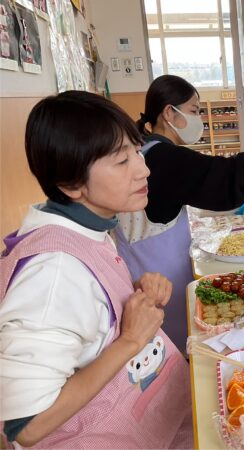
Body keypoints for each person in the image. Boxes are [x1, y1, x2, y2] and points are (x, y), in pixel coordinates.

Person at [0, 91, 192, 448]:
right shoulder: (52, 273)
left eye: (137, 152)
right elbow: (25, 425)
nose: (143, 169)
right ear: (71, 184)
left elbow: (84, 315)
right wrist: (131, 340)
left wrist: (133, 291)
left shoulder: (87, 228)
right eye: (121, 161)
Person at [114, 75, 244, 353]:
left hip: (149, 267)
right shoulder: (164, 157)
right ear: (169, 113)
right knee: (174, 349)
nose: (199, 119)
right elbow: (229, 170)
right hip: (158, 277)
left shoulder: (146, 149)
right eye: (193, 110)